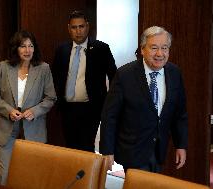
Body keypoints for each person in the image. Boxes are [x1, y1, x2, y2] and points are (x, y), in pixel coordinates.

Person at [99, 26, 188, 173]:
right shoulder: (124, 75)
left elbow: (180, 114)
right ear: (142, 49)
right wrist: (107, 151)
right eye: (154, 48)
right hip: (132, 151)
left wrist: (181, 145)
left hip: (159, 150)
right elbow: (110, 115)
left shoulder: (174, 73)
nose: (160, 53)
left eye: (164, 48)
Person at [0, 30, 56, 185]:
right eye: (23, 46)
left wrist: (35, 111)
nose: (27, 50)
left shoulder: (43, 68)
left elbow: (51, 97)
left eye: (30, 46)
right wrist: (9, 111)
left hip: (33, 128)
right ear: (15, 49)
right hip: (6, 128)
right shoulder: (3, 67)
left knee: (32, 176)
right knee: (4, 176)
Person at [52, 10, 117, 152]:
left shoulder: (101, 48)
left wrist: (109, 103)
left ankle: (87, 175)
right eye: (74, 27)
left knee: (87, 147)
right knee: (70, 147)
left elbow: (114, 77)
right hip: (67, 108)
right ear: (69, 28)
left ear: (87, 26)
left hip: (91, 108)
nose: (78, 31)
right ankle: (73, 174)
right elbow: (55, 77)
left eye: (81, 26)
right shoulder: (61, 50)